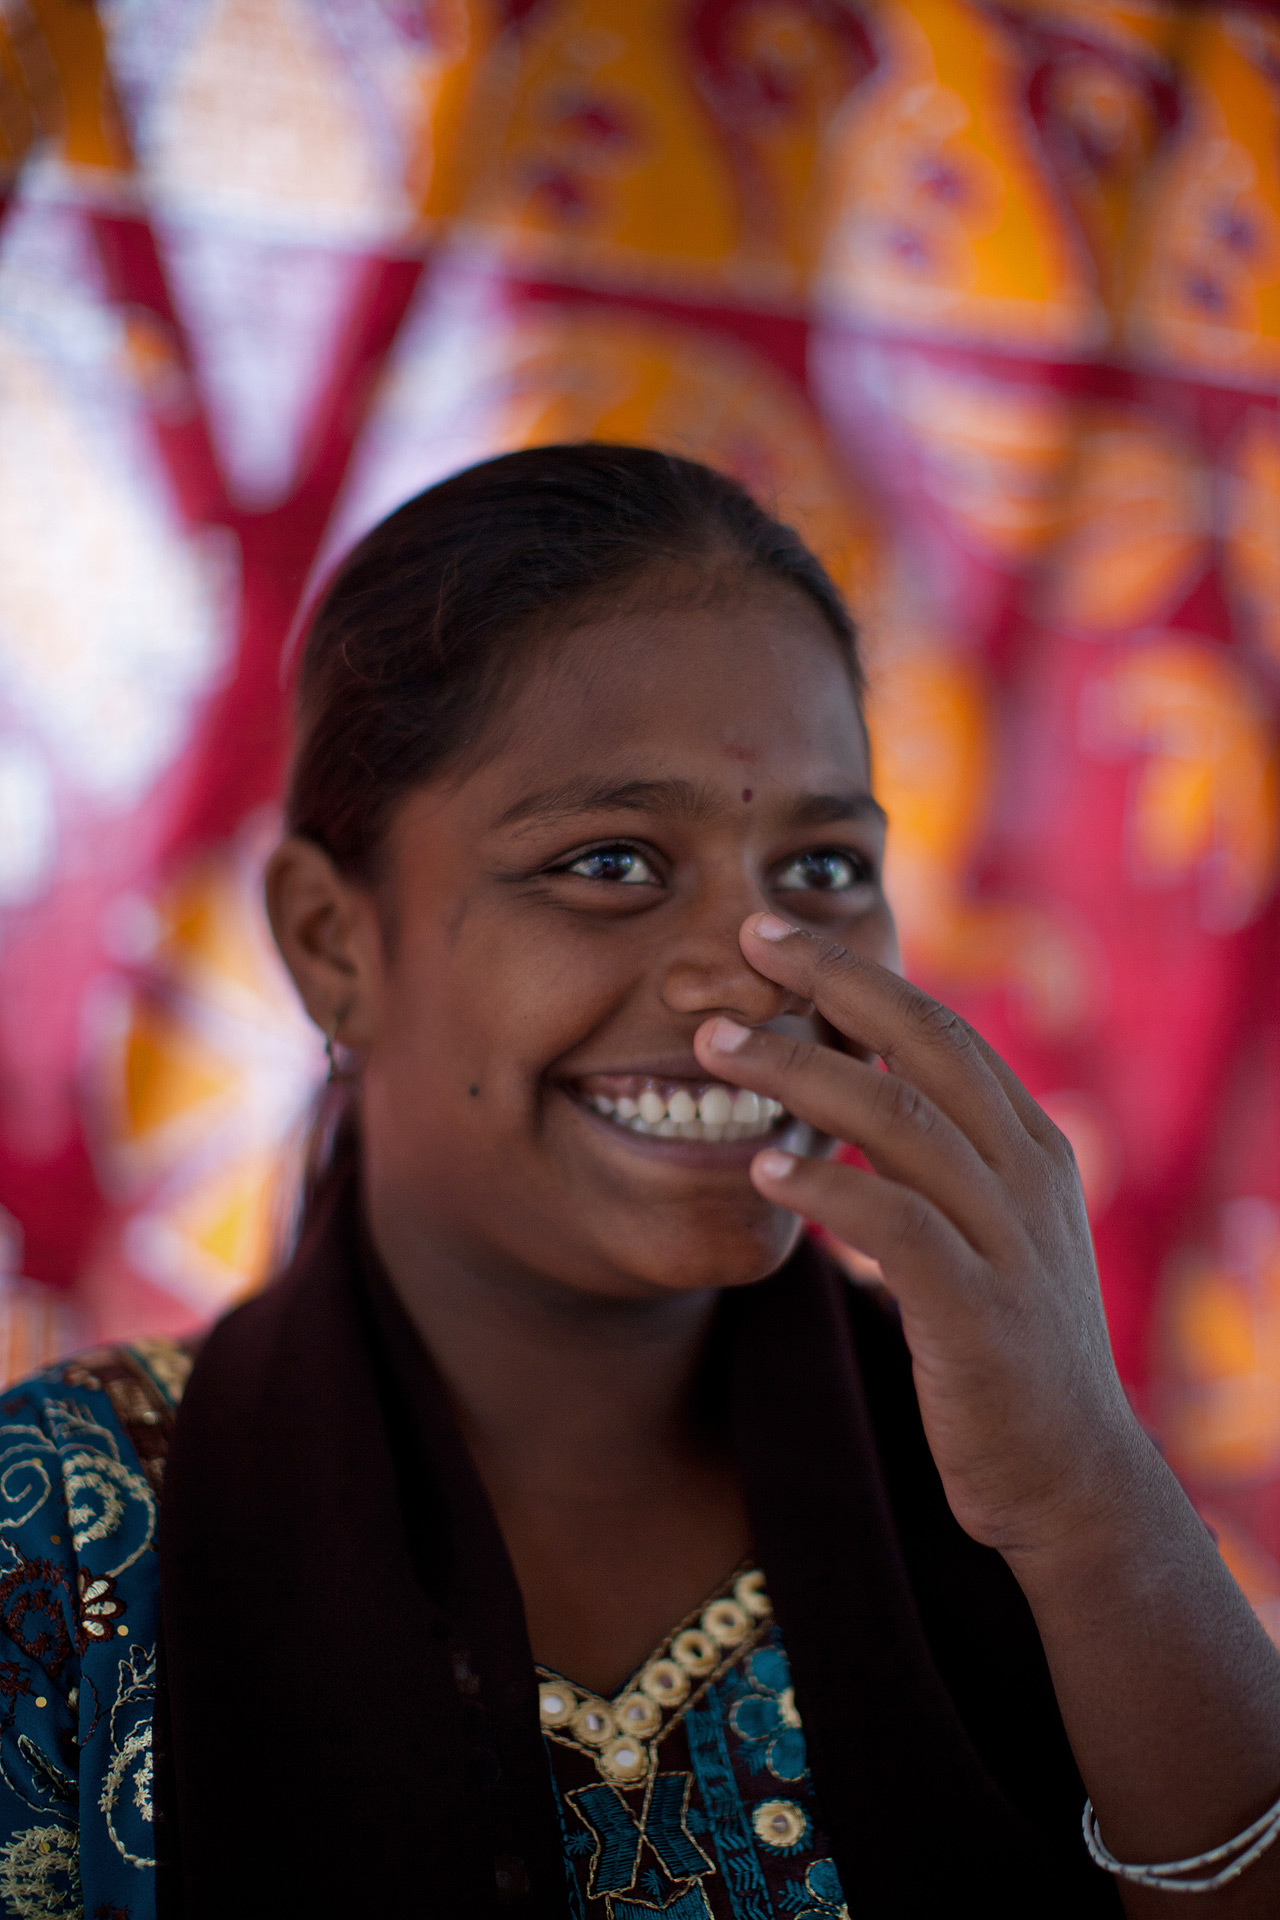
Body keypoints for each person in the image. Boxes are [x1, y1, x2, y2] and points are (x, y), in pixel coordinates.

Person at [0, 445, 1276, 1920]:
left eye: (823, 870)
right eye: (609, 862)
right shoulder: (59, 1540)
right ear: (336, 944)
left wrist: (1091, 1503)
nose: (754, 978)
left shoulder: (1023, 1478)